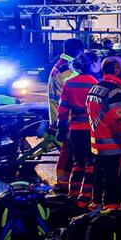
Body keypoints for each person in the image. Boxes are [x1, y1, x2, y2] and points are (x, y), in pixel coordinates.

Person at [86, 56, 121, 211]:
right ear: (117, 70)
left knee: (99, 177)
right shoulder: (116, 92)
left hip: (98, 145)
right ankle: (111, 213)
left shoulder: (96, 87)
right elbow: (119, 124)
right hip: (114, 146)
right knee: (114, 180)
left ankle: (97, 206)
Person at [57, 51, 101, 209]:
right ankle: (85, 197)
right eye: (98, 62)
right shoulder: (96, 83)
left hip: (74, 129)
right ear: (92, 64)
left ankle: (73, 194)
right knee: (91, 164)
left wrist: (62, 128)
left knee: (77, 163)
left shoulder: (69, 83)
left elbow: (62, 109)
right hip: (91, 129)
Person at [49, 38, 85, 194]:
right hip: (66, 117)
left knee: (69, 150)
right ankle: (63, 183)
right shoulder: (66, 69)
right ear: (79, 51)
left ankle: (67, 180)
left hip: (60, 114)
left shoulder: (61, 65)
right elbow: (76, 90)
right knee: (68, 151)